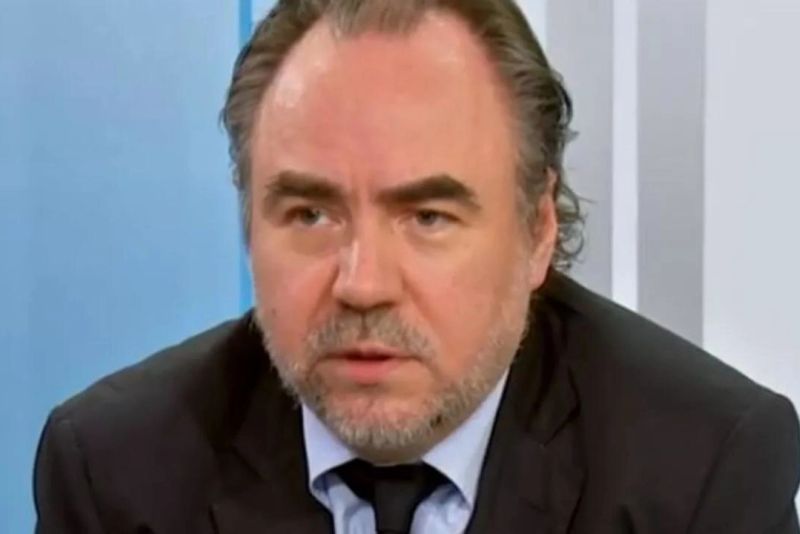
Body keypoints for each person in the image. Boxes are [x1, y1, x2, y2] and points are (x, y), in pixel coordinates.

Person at [33, 0, 800, 532]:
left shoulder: (701, 473)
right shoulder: (115, 473)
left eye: (428, 217)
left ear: (538, 231)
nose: (363, 284)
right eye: (311, 214)